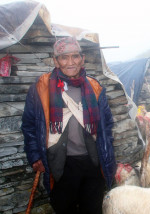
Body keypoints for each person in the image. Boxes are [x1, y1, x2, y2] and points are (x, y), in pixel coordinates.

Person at [21, 37, 116, 214]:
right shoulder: (41, 87)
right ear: (56, 61)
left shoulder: (94, 87)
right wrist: (35, 156)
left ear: (82, 58)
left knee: (93, 209)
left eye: (75, 56)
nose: (70, 62)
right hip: (60, 164)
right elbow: (29, 125)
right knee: (65, 209)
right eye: (64, 57)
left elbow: (107, 124)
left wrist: (106, 150)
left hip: (92, 162)